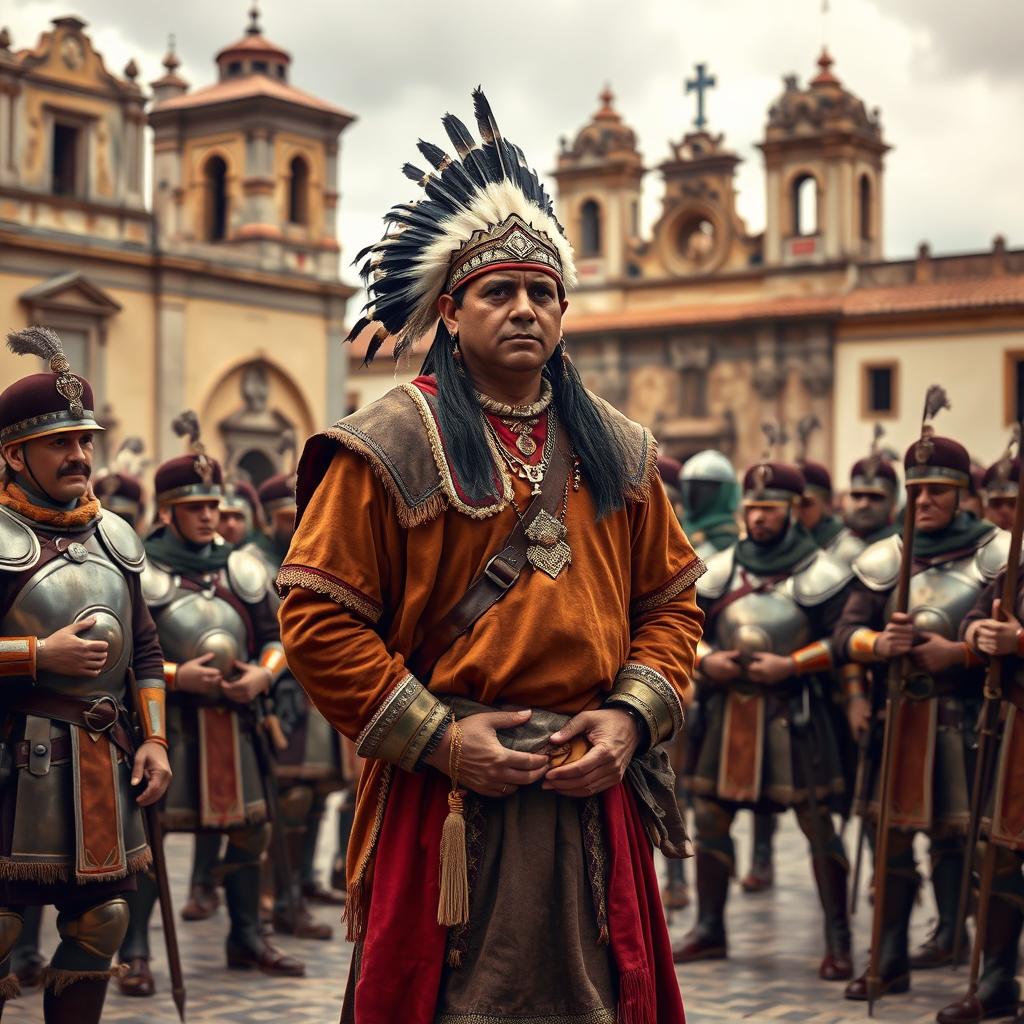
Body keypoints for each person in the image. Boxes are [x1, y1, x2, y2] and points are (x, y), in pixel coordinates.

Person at [277, 89, 704, 1023]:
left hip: (594, 787)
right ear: (453, 310)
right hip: (452, 796)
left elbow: (672, 606)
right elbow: (315, 619)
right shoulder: (387, 443)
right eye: (498, 292)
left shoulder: (621, 453)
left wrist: (630, 720)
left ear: (564, 310)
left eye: (542, 293)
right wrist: (439, 738)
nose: (524, 309)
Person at [0, 327, 171, 1022]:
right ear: (13, 454)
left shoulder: (116, 537)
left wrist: (155, 741)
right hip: (11, 765)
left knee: (104, 920)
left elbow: (149, 653)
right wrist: (39, 657)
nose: (79, 456)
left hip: (102, 761)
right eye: (59, 443)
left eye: (85, 440)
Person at [118, 413, 303, 995]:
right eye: (194, 507)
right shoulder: (142, 568)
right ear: (169, 510)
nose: (209, 516)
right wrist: (176, 677)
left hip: (237, 720)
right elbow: (125, 654)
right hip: (170, 722)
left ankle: (246, 934)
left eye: (213, 505)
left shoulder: (241, 566)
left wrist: (262, 677)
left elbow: (276, 637)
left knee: (251, 831)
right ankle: (137, 948)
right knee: (154, 833)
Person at [835, 433, 1006, 1000]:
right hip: (901, 718)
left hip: (969, 716)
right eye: (917, 489)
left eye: (938, 489)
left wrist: (957, 652)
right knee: (891, 839)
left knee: (970, 840)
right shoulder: (888, 555)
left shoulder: (999, 554)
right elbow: (844, 633)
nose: (925, 499)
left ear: (963, 495)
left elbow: (1002, 630)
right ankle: (887, 961)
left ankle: (968, 948)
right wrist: (878, 644)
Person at [674, 456, 854, 980]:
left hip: (794, 712)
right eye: (753, 508)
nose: (759, 518)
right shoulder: (722, 567)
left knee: (817, 822)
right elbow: (684, 625)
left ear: (792, 511)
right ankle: (709, 929)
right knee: (710, 817)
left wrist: (794, 663)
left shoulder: (821, 574)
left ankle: (838, 938)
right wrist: (709, 660)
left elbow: (842, 639)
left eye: (770, 509)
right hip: (728, 711)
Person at [934, 571, 1024, 1023]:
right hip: (1017, 727)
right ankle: (997, 981)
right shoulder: (1019, 568)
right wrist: (980, 632)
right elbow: (972, 615)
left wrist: (1020, 640)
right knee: (999, 854)